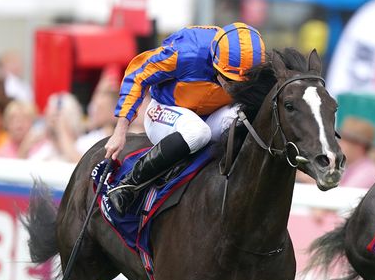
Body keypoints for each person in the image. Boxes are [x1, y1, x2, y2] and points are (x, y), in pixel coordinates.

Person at [104, 22, 266, 215]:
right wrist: (120, 131)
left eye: (242, 83)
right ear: (215, 62)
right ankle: (128, 185)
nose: (234, 89)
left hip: (211, 114)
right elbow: (137, 74)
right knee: (198, 132)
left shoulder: (256, 66)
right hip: (165, 110)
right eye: (229, 80)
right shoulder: (186, 53)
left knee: (244, 118)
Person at [337, 116, 375, 188]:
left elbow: (341, 196)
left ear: (359, 146)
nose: (339, 144)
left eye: (345, 140)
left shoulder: (367, 172)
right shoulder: (354, 168)